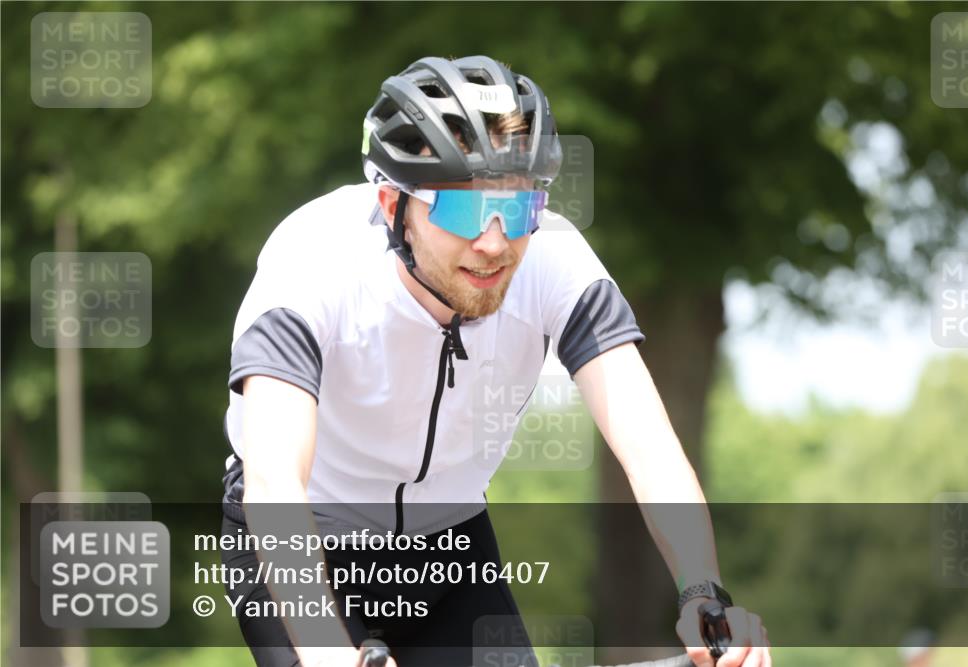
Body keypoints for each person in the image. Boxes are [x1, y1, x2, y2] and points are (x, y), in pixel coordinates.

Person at [218, 55, 771, 667]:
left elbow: (650, 449)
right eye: (464, 211)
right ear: (392, 202)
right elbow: (274, 479)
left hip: (450, 543)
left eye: (519, 209)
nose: (495, 243)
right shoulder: (311, 262)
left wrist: (704, 594)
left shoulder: (557, 264)